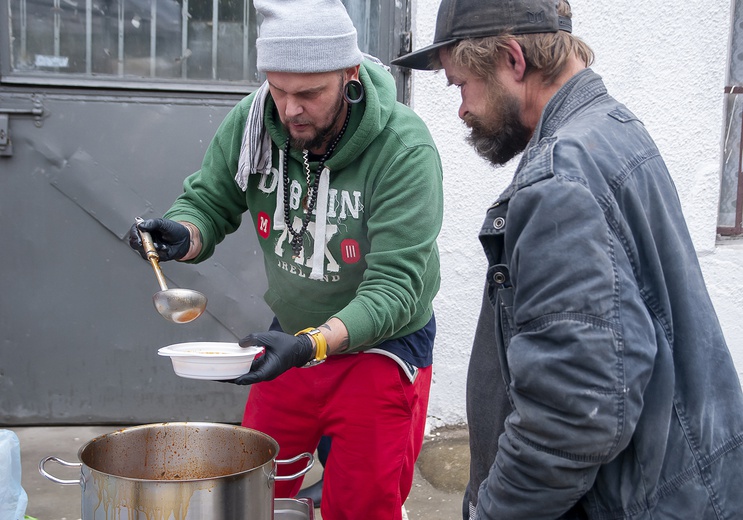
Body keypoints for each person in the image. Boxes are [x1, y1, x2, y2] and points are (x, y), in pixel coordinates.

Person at [392, 0, 743, 518]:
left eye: (461, 84)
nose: (461, 109)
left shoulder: (560, 181)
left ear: (513, 59)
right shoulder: (613, 128)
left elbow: (574, 414)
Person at [127, 0, 444, 518]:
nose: (289, 109)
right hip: (294, 335)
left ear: (350, 75)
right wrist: (180, 235)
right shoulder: (255, 119)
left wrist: (309, 345)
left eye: (309, 93)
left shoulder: (402, 148)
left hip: (383, 349)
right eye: (278, 88)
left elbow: (395, 289)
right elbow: (210, 203)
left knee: (362, 504)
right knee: (253, 486)